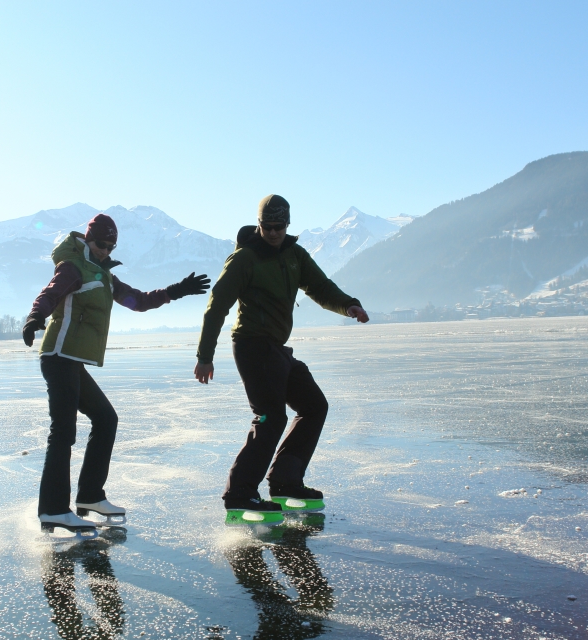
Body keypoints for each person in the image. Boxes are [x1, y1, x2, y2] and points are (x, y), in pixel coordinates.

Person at [23, 213, 210, 536]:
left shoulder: (103, 275)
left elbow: (138, 301)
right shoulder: (73, 267)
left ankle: (90, 497)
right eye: (100, 244)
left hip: (73, 361)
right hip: (58, 357)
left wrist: (177, 290)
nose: (105, 251)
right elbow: (50, 293)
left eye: (111, 246)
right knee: (63, 433)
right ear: (87, 239)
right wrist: (35, 317)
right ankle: (53, 510)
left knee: (106, 419)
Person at [193, 194, 369, 518]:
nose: (274, 233)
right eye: (268, 226)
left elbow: (320, 286)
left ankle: (286, 481)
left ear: (288, 225)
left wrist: (348, 305)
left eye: (280, 226)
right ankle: (240, 493)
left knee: (314, 406)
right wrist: (205, 355)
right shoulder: (245, 259)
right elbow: (217, 305)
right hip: (252, 346)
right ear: (259, 224)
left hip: (277, 349)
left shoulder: (294, 255)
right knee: (270, 417)